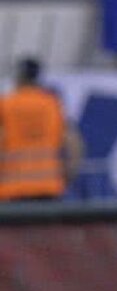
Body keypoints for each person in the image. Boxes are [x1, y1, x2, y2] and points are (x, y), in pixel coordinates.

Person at [0, 57, 84, 202]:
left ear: (18, 78)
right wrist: (67, 175)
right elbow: (74, 143)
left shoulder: (6, 105)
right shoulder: (53, 104)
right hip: (48, 188)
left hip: (12, 190)